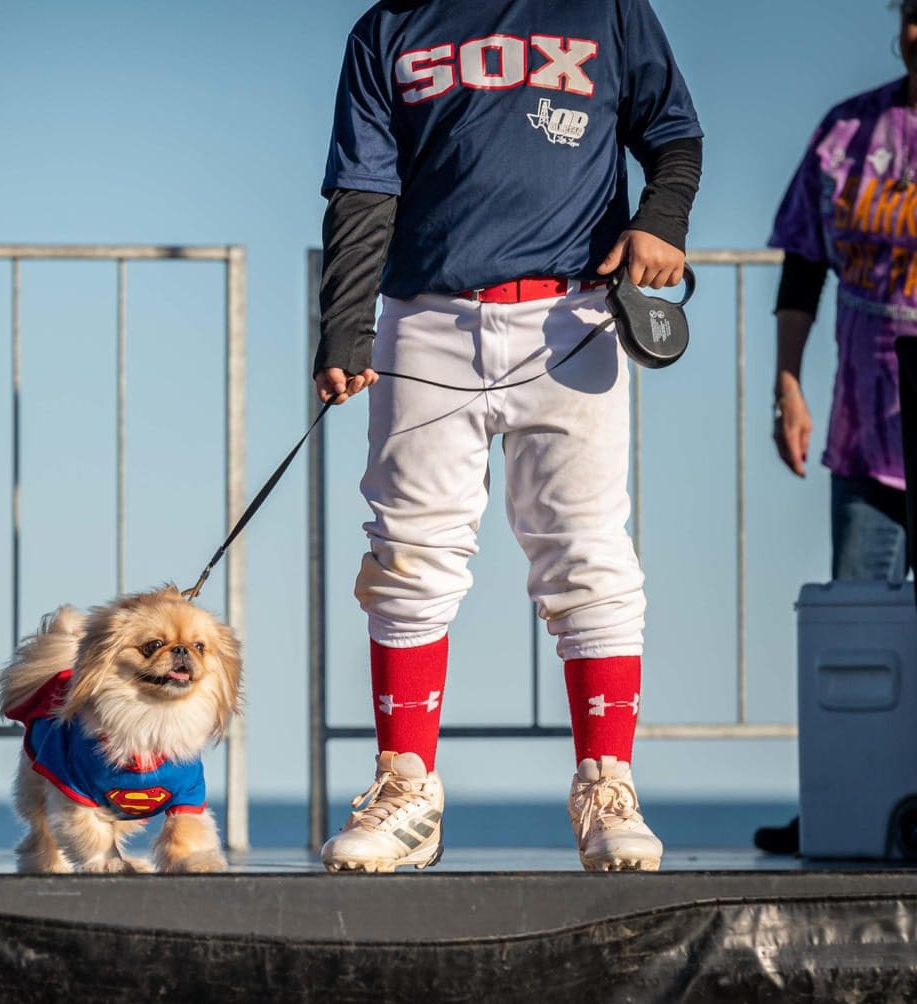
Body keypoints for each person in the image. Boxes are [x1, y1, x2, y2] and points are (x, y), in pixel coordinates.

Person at [313, 0, 702, 872]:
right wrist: (344, 324)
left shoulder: (605, 8)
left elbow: (673, 134)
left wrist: (662, 222)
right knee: (408, 553)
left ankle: (608, 788)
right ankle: (405, 789)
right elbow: (365, 186)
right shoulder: (389, 26)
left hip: (572, 313)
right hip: (423, 316)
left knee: (588, 552)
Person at [756, 0, 917, 857]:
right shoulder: (848, 132)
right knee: (858, 634)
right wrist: (787, 381)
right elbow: (802, 264)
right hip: (866, 424)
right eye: (913, 13)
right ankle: (846, 799)